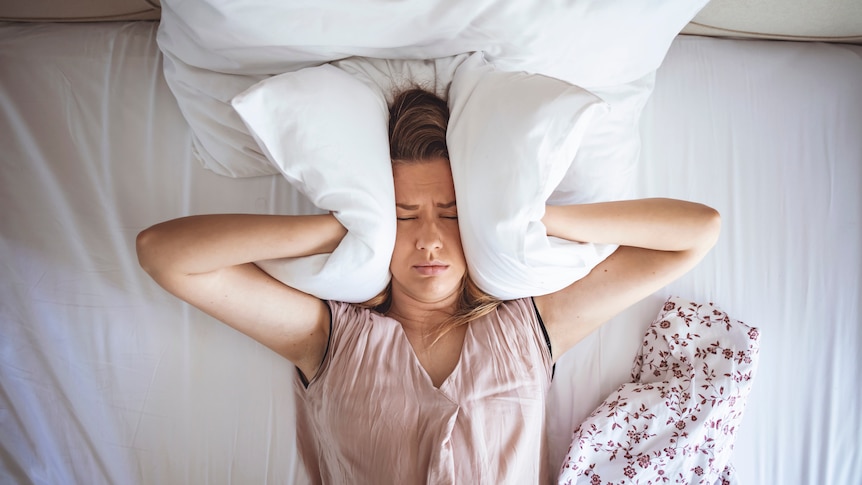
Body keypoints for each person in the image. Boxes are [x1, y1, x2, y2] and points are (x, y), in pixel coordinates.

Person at [136, 89, 720, 484]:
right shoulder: (331, 339)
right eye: (403, 217)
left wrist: (533, 220)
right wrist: (337, 229)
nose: (431, 239)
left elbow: (695, 233)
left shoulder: (529, 329)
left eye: (453, 212)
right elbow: (164, 255)